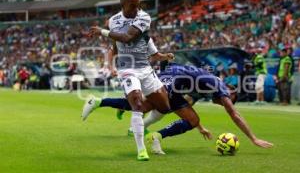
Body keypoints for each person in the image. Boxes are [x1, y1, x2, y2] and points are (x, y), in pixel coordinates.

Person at [82, 63, 273, 154]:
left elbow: (187, 106)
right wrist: (253, 138)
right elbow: (235, 114)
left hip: (169, 81)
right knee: (143, 106)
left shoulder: (206, 88)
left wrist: (200, 128)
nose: (226, 102)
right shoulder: (220, 87)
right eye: (231, 99)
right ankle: (98, 102)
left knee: (185, 117)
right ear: (230, 91)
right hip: (168, 83)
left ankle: (155, 136)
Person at [86, 0, 174, 161]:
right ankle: (141, 150)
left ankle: (116, 104)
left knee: (164, 107)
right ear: (123, 4)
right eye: (133, 5)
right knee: (137, 104)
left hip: (145, 69)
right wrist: (110, 64)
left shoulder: (144, 17)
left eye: (138, 4)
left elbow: (127, 38)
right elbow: (116, 46)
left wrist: (102, 31)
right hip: (127, 68)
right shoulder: (113, 21)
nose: (136, 8)